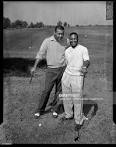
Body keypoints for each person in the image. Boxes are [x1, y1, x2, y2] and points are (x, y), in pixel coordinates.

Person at [31, 25, 67, 118]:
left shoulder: (65, 41)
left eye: (62, 34)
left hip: (62, 69)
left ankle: (55, 109)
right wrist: (34, 67)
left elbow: (72, 48)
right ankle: (39, 110)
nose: (60, 36)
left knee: (59, 91)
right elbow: (40, 54)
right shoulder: (47, 41)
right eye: (58, 33)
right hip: (51, 70)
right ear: (54, 32)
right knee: (47, 90)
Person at [61, 32, 90, 129]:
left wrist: (85, 66)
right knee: (66, 97)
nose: (73, 40)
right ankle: (68, 115)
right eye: (71, 39)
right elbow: (65, 63)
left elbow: (87, 60)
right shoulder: (67, 50)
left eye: (75, 39)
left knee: (77, 99)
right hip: (67, 75)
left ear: (77, 39)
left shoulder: (83, 49)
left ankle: (78, 121)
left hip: (77, 76)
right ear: (69, 40)